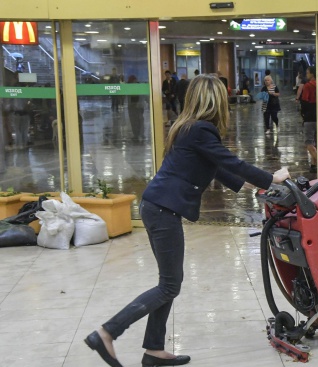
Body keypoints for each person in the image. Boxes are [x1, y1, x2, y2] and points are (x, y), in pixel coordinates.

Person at [84, 74, 291, 367]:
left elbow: (218, 169)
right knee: (169, 285)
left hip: (157, 206)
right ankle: (106, 333)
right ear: (216, 101)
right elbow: (233, 162)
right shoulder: (202, 130)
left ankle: (154, 350)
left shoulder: (187, 128)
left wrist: (256, 187)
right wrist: (272, 179)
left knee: (169, 282)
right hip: (162, 210)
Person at [299, 66, 318, 173]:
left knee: (309, 142)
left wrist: (303, 114)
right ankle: (313, 164)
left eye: (307, 72)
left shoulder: (308, 86)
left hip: (309, 116)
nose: (306, 74)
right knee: (315, 141)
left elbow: (304, 101)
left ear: (312, 74)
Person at [126, 75, 146, 142]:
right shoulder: (129, 87)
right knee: (133, 121)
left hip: (139, 107)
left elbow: (143, 96)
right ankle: (136, 135)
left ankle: (141, 134)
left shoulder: (139, 87)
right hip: (131, 107)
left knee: (140, 120)